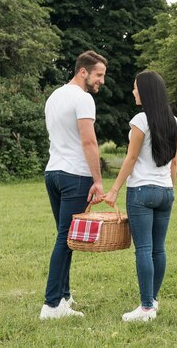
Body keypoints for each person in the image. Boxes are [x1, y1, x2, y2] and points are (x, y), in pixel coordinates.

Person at [104, 71, 177, 322]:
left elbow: (131, 158)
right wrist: (170, 190)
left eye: (136, 88)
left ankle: (146, 308)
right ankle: (153, 301)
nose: (133, 92)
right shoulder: (175, 122)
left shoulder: (140, 120)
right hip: (165, 191)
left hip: (141, 192)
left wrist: (114, 189)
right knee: (158, 249)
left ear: (146, 91)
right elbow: (174, 162)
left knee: (144, 250)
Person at [39, 50, 107, 320]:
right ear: (83, 72)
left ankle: (64, 298)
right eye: (99, 75)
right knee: (65, 240)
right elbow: (88, 141)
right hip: (74, 176)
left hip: (53, 173)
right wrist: (98, 181)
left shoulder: (54, 96)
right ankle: (51, 305)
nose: (101, 80)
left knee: (65, 238)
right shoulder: (83, 98)